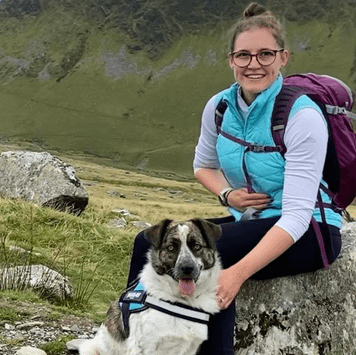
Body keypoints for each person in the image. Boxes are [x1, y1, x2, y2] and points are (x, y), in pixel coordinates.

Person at [125, 2, 343, 354]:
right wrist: (228, 195)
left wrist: (237, 274)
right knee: (146, 243)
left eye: (265, 54)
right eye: (243, 55)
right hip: (254, 220)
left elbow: (299, 215)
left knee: (211, 261)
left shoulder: (302, 115)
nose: (253, 64)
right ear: (231, 60)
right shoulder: (220, 107)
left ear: (283, 57)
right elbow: (203, 166)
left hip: (311, 232)